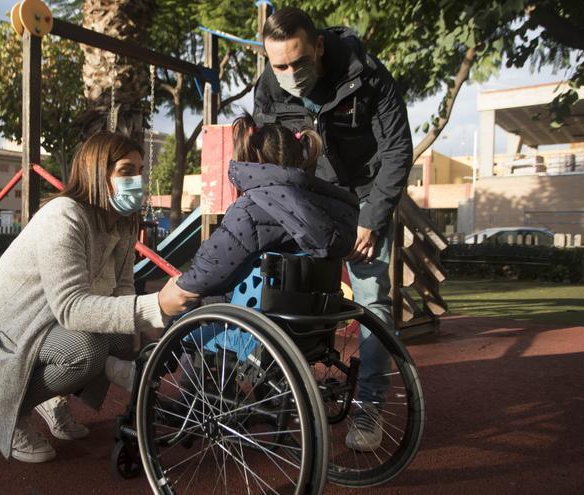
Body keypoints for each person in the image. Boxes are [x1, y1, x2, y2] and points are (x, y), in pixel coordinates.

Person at [0, 131, 197, 463]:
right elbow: (71, 307)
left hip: (47, 322)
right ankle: (14, 411)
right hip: (3, 330)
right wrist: (157, 306)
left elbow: (122, 288)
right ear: (96, 170)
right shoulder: (64, 215)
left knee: (124, 341)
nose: (137, 179)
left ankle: (54, 396)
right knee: (87, 351)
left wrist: (152, 328)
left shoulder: (121, 223)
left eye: (139, 169)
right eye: (125, 171)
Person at [253, 7, 414, 451]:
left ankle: (369, 407)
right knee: (288, 290)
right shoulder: (268, 88)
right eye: (279, 64)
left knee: (370, 301)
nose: (288, 73)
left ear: (319, 46)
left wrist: (372, 218)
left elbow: (399, 148)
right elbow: (270, 156)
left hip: (364, 197)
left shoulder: (366, 74)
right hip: (310, 197)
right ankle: (290, 391)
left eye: (298, 62)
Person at [176, 113, 359, 296]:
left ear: (254, 156)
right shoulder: (328, 206)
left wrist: (174, 290)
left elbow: (205, 274)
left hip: (252, 311)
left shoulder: (249, 211)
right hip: (309, 317)